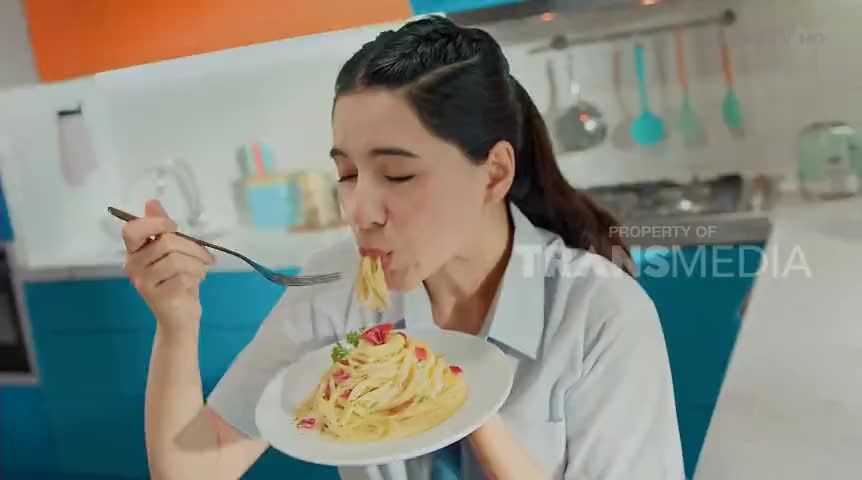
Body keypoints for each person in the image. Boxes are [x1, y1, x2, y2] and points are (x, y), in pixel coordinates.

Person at [121, 15, 684, 480]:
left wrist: (450, 397)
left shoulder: (599, 311)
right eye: (347, 174)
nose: (358, 210)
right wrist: (177, 321)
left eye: (396, 174)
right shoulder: (335, 287)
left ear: (493, 174)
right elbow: (195, 469)